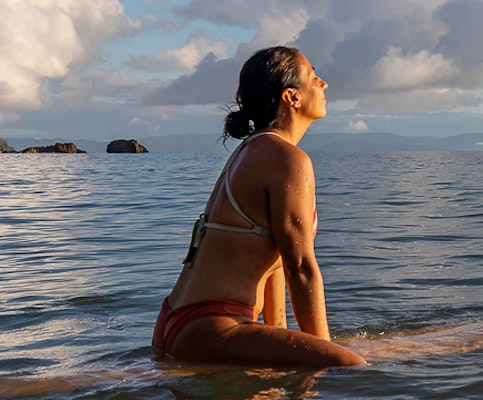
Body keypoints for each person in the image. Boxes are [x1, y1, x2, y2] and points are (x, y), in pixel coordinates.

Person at [153, 47, 366, 367]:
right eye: (313, 77)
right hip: (213, 325)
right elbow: (301, 267)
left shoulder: (251, 151)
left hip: (179, 320)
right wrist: (323, 355)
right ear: (291, 97)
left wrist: (287, 340)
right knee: (351, 366)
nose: (324, 84)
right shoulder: (287, 159)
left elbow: (275, 264)